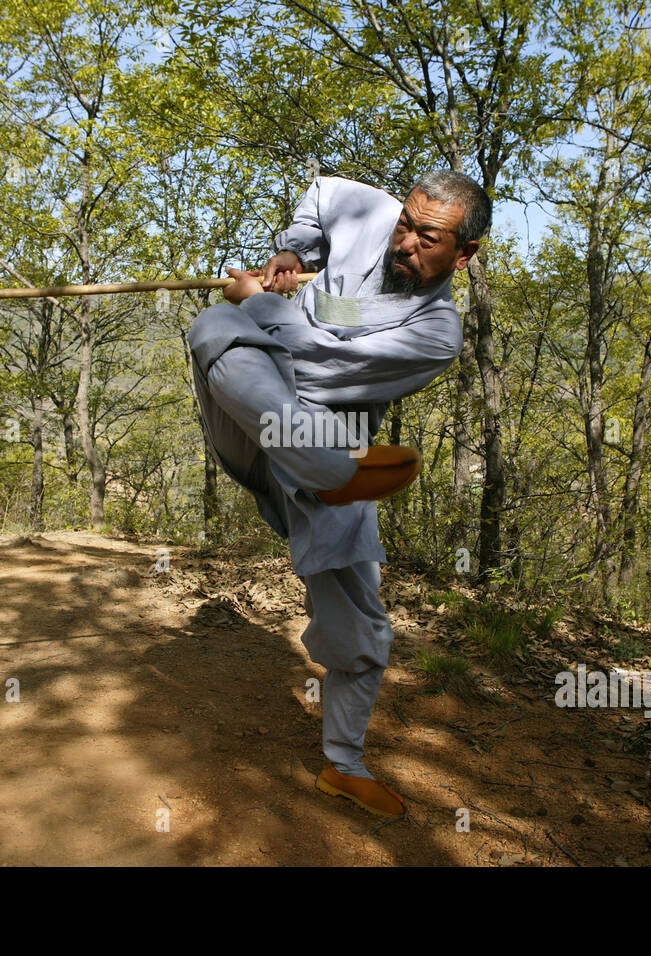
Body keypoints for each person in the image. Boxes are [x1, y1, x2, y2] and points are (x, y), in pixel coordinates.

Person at [187, 169, 490, 817]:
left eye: (427, 237)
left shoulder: (436, 334)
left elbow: (321, 356)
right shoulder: (371, 216)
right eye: (406, 222)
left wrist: (262, 304)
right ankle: (328, 467)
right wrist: (298, 251)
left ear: (463, 256)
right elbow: (324, 194)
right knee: (213, 325)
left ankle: (343, 767)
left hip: (334, 443)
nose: (404, 240)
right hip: (255, 419)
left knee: (361, 625)